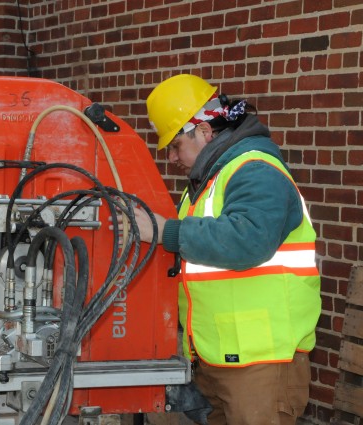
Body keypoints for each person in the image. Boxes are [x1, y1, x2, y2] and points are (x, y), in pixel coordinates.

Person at [136, 74, 321, 424]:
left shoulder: (255, 170)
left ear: (205, 131)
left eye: (175, 145)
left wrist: (164, 231)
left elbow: (246, 240)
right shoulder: (206, 183)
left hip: (261, 364)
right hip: (220, 358)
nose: (172, 157)